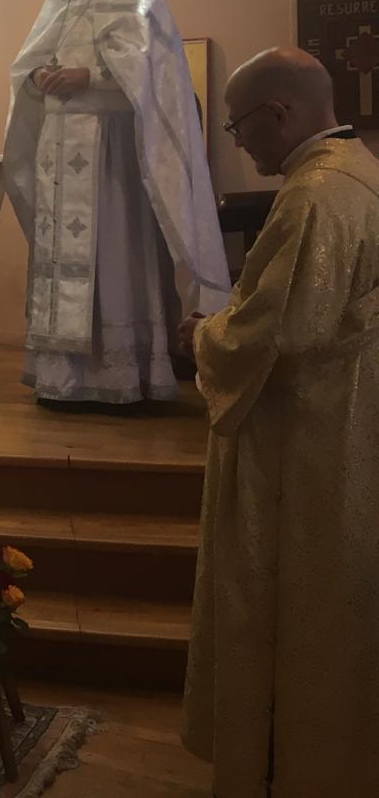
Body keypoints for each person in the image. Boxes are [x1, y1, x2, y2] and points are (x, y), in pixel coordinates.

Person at [178, 47, 379, 797]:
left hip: (304, 438)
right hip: (351, 412)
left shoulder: (312, 197)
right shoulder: (360, 169)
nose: (238, 142)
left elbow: (277, 333)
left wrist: (202, 335)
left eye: (238, 126)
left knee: (294, 607)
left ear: (279, 113)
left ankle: (286, 765)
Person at [2, 0, 227, 409]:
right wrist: (38, 76)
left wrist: (91, 77)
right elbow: (27, 64)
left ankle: (122, 378)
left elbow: (156, 82)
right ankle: (62, 378)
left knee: (116, 256)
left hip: (115, 158)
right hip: (59, 157)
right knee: (61, 263)